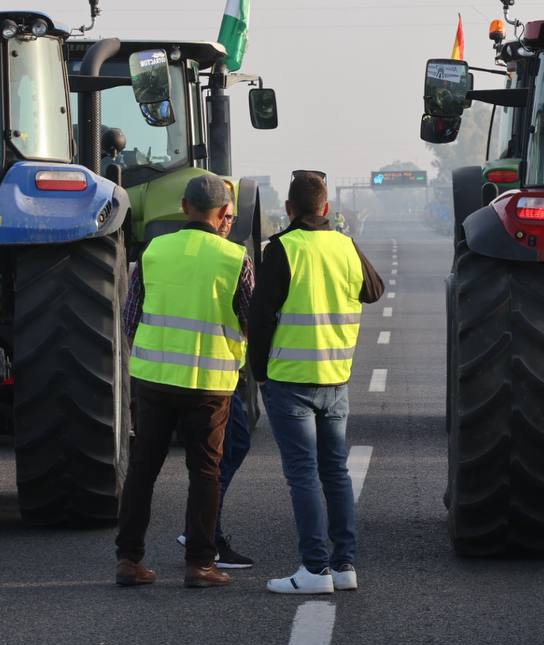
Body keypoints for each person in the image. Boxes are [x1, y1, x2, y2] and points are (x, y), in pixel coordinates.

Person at [249, 170, 384, 594]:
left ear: (288, 209)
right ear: (326, 209)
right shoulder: (344, 245)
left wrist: (260, 374)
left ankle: (314, 569)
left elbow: (260, 317)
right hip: (335, 380)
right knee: (336, 474)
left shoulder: (282, 249)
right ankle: (344, 567)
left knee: (303, 475)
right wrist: (346, 245)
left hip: (290, 380)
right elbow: (374, 290)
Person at [114, 175, 251, 589]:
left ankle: (129, 560)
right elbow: (249, 318)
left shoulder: (154, 251)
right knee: (205, 473)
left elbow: (130, 318)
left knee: (143, 470)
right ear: (224, 213)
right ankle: (199, 564)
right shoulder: (235, 258)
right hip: (210, 385)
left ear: (183, 207)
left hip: (153, 379)